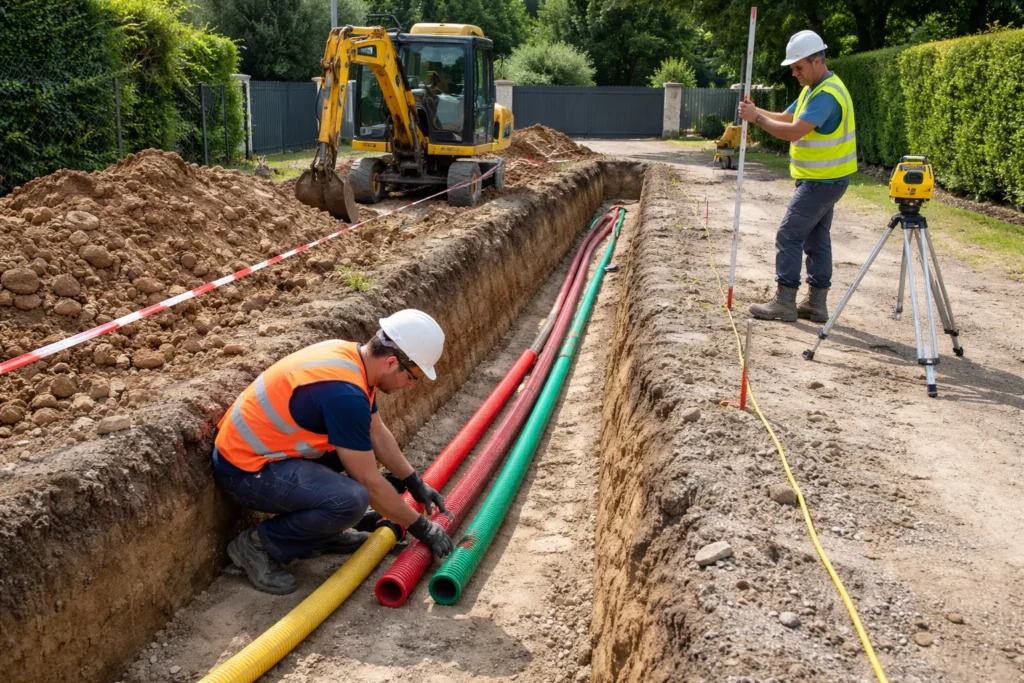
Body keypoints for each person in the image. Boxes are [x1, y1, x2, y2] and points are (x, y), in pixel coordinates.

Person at [211, 309, 454, 594]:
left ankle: (315, 535)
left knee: (369, 465)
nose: (411, 385)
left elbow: (376, 433)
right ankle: (258, 545)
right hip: (245, 471)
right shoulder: (344, 393)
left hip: (268, 451)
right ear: (391, 362)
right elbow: (368, 483)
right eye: (413, 376)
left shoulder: (354, 361)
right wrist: (422, 527)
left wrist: (414, 481)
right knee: (353, 499)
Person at [738, 30, 857, 323]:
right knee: (816, 239)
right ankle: (816, 305)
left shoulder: (826, 96)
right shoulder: (813, 90)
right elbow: (787, 117)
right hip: (824, 180)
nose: (794, 73)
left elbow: (792, 132)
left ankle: (784, 301)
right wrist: (754, 111)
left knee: (788, 234)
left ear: (818, 61)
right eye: (793, 68)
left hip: (822, 182)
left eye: (798, 67)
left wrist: (757, 119)